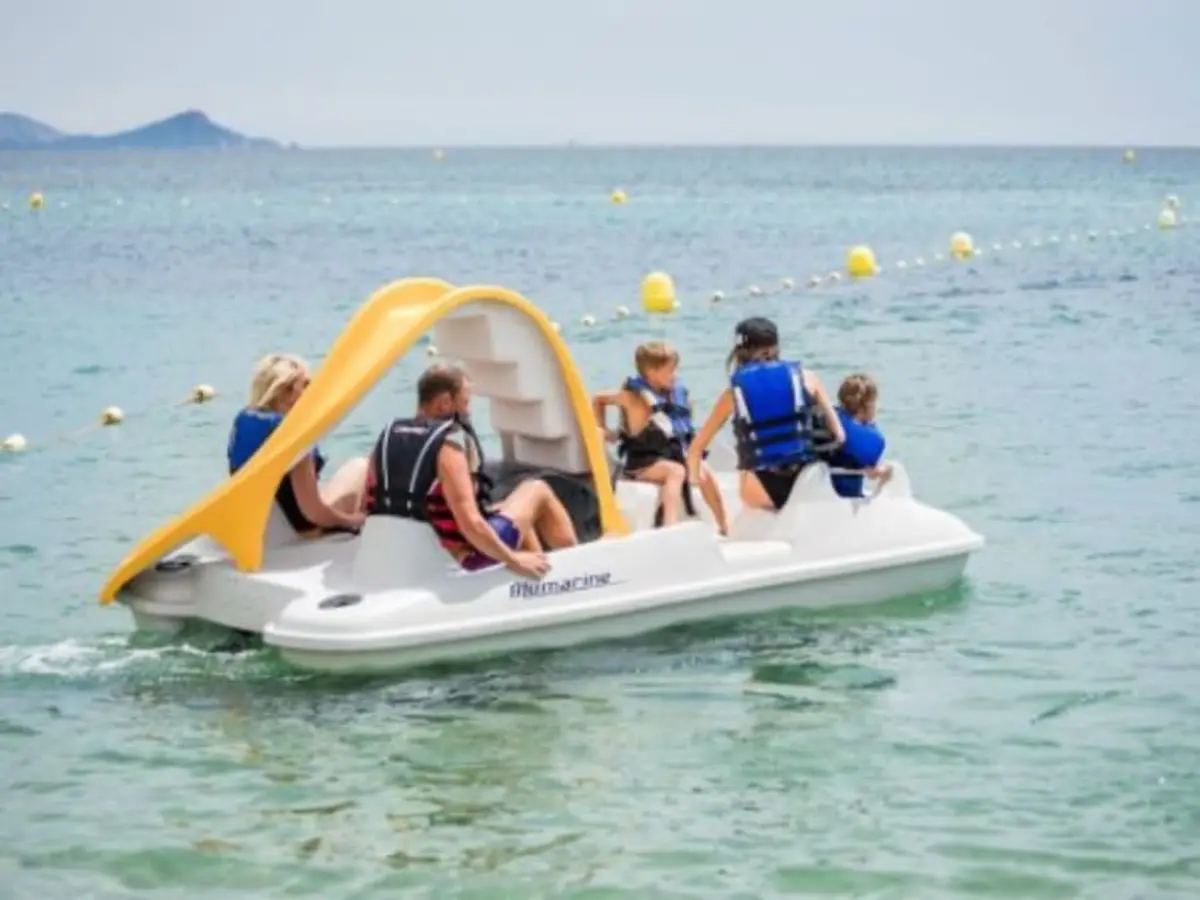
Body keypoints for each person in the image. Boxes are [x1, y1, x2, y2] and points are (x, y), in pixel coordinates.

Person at [364, 362, 578, 578]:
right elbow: (471, 524)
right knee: (536, 490)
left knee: (512, 509)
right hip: (467, 557)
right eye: (465, 402)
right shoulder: (447, 449)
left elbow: (374, 503)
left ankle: (539, 577)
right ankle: (576, 568)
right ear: (444, 403)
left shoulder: (387, 438)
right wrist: (514, 561)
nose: (469, 411)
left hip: (408, 552)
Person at [685, 317, 845, 512]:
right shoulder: (807, 378)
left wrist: (693, 482)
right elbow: (839, 435)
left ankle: (733, 526)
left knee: (741, 468)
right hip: (806, 477)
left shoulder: (734, 393)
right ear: (775, 347)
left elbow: (697, 448)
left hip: (760, 486)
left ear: (739, 352)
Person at [592, 341, 729, 534]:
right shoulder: (632, 397)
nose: (675, 375)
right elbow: (598, 399)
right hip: (642, 463)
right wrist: (604, 429)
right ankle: (669, 527)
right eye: (670, 370)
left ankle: (724, 525)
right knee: (676, 472)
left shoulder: (672, 393)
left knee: (702, 468)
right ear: (651, 372)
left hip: (670, 453)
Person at [226, 353, 367, 535]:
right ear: (285, 392)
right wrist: (351, 521)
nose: (312, 390)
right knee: (358, 467)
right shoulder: (293, 435)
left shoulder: (244, 420)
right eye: (306, 385)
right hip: (301, 529)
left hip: (262, 527)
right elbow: (312, 514)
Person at [821, 373, 893, 498]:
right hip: (847, 498)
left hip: (819, 494)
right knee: (893, 470)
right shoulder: (870, 439)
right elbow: (872, 473)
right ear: (867, 405)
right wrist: (888, 470)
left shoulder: (825, 420)